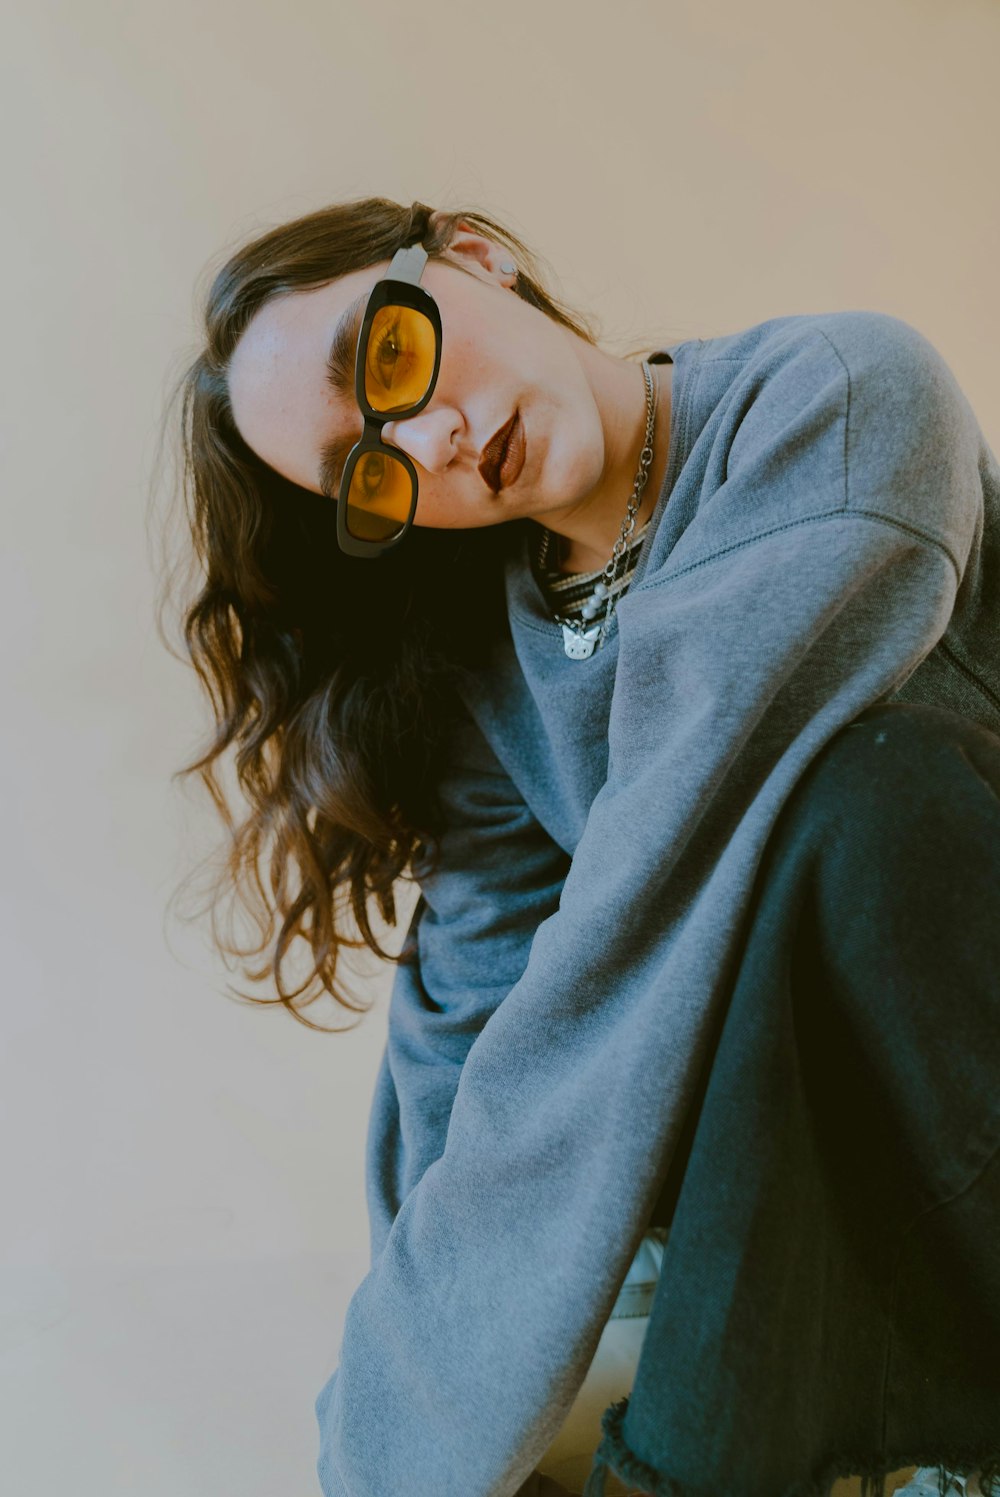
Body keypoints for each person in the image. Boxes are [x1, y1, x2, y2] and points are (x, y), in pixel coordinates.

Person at [156, 195, 1000, 1497]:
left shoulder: (833, 400)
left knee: (855, 804)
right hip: (818, 1192)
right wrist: (391, 1448)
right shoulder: (495, 656)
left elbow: (645, 920)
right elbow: (470, 1042)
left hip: (960, 1074)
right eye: (371, 471)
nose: (432, 441)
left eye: (392, 359)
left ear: (469, 258)